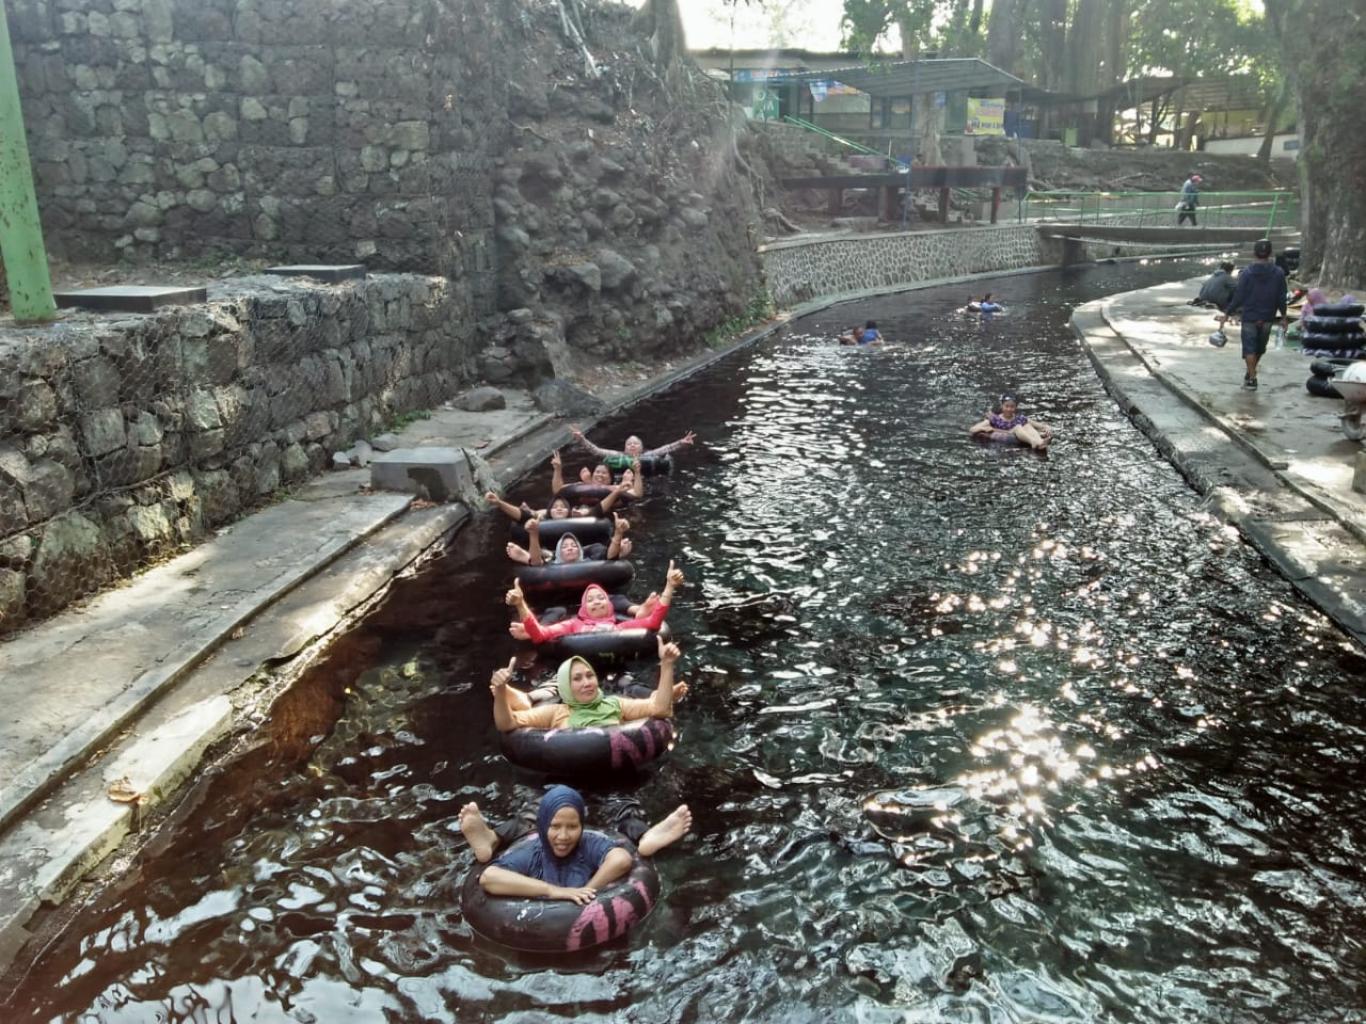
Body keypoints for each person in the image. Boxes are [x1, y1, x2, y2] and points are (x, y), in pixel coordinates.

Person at [459, 786, 692, 904]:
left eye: (572, 827)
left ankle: (645, 840)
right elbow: (489, 878)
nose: (563, 836)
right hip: (537, 818)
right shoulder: (533, 850)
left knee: (623, 810)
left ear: (581, 826)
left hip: (602, 799)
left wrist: (588, 890)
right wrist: (558, 892)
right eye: (555, 827)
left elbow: (621, 859)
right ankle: (489, 838)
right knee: (527, 820)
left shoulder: (587, 843)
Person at [489, 636, 686, 732]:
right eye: (577, 679)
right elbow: (508, 723)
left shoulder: (616, 704)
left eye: (589, 676)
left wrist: (667, 665)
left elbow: (660, 709)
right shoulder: (556, 713)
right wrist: (499, 692)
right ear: (565, 686)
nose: (587, 683)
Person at [506, 562, 684, 643]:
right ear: (583, 608)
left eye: (601, 598)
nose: (597, 602)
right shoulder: (572, 625)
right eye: (590, 600)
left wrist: (669, 587)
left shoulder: (620, 628)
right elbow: (541, 634)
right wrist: (521, 604)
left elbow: (653, 623)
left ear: (610, 606)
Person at [1220, 238, 1288, 390]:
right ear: (1270, 253)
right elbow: (1282, 296)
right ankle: (1251, 374)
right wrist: (1283, 316)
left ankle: (1251, 378)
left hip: (1250, 316)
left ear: (1253, 253)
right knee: (1259, 348)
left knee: (1249, 348)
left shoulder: (1247, 273)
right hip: (1268, 317)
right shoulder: (1278, 273)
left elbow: (1239, 296)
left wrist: (1228, 313)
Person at [505, 515, 633, 565]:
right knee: (538, 562)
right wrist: (533, 534)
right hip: (552, 566)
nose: (570, 548)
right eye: (565, 547)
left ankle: (618, 551)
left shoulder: (591, 559)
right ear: (559, 553)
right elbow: (538, 563)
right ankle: (526, 556)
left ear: (580, 550)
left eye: (573, 545)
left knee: (612, 556)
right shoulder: (553, 565)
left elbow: (609, 558)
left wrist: (618, 533)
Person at [569, 428, 696, 473]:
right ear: (625, 448)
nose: (632, 445)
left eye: (635, 443)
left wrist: (681, 443)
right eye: (629, 444)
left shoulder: (648, 455)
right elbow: (596, 451)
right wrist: (582, 439)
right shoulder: (617, 456)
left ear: (641, 447)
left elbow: (666, 448)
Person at [969, 394, 1051, 450]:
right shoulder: (995, 419)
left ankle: (1040, 443)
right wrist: (985, 428)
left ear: (1015, 407)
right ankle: (1033, 442)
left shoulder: (1020, 418)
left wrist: (1047, 428)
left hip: (1020, 434)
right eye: (1006, 406)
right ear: (1002, 406)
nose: (1009, 409)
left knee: (1027, 425)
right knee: (1018, 427)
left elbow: (1041, 426)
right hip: (1008, 435)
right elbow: (972, 429)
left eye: (1012, 407)